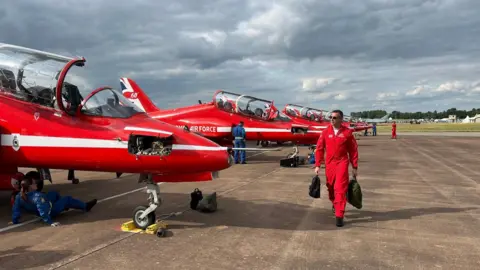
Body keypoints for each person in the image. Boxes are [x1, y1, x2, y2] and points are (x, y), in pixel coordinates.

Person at [314, 109, 359, 227]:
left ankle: (339, 215)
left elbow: (353, 150)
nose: (332, 120)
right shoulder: (325, 132)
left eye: (334, 118)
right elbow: (319, 149)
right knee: (330, 187)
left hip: (342, 163)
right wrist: (318, 165)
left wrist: (354, 166)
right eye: (331, 117)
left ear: (340, 119)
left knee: (340, 188)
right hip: (329, 164)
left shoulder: (347, 133)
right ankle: (335, 203)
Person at [11, 172, 97, 226]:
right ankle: (85, 206)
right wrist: (50, 222)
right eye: (34, 183)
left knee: (53, 193)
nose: (36, 184)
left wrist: (15, 220)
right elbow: (43, 211)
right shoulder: (38, 196)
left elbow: (15, 209)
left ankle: (64, 206)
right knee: (67, 199)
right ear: (30, 187)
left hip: (38, 209)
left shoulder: (19, 196)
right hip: (51, 211)